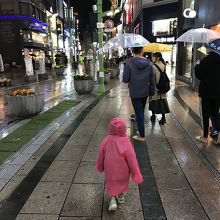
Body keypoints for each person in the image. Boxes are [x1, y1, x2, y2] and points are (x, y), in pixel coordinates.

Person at [96, 118, 143, 211]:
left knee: (111, 183)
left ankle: (113, 199)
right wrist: (136, 173)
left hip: (110, 169)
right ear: (123, 129)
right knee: (122, 182)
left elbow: (100, 155)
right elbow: (132, 159)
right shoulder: (126, 141)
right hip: (123, 171)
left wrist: (100, 166)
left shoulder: (106, 140)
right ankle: (121, 196)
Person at [123, 47, 155, 141]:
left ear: (133, 52)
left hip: (134, 92)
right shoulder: (149, 63)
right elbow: (152, 79)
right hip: (145, 92)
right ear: (142, 51)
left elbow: (125, 79)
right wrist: (152, 93)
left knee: (139, 112)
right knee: (141, 111)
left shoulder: (129, 63)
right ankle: (140, 131)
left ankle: (142, 135)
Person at [195, 49, 220, 143]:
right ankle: (219, 135)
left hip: (206, 92)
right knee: (215, 113)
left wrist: (197, 66)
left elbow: (199, 75)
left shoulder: (205, 60)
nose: (205, 48)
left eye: (207, 47)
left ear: (210, 49)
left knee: (205, 114)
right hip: (218, 92)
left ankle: (205, 137)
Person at [149, 52, 170, 125]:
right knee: (163, 101)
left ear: (157, 57)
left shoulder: (153, 66)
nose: (153, 58)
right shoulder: (163, 65)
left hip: (156, 87)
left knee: (153, 101)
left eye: (154, 56)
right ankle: (163, 117)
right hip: (162, 86)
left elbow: (152, 78)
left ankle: (153, 115)